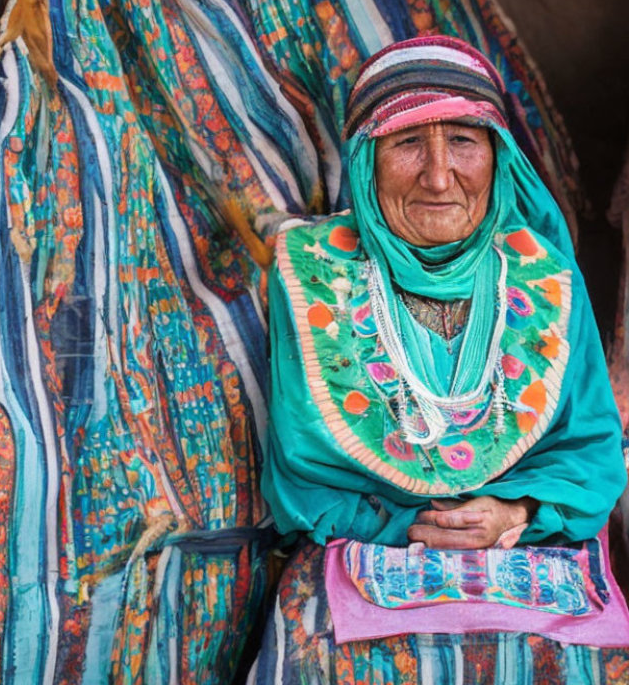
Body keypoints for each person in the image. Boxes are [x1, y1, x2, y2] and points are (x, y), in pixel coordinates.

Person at [254, 35, 629, 682]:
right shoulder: (313, 275)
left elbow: (591, 449)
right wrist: (414, 525)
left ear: (497, 157)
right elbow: (300, 474)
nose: (437, 174)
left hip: (525, 540)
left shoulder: (541, 279)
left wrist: (518, 514)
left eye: (463, 140)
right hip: (365, 544)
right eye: (406, 144)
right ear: (367, 161)